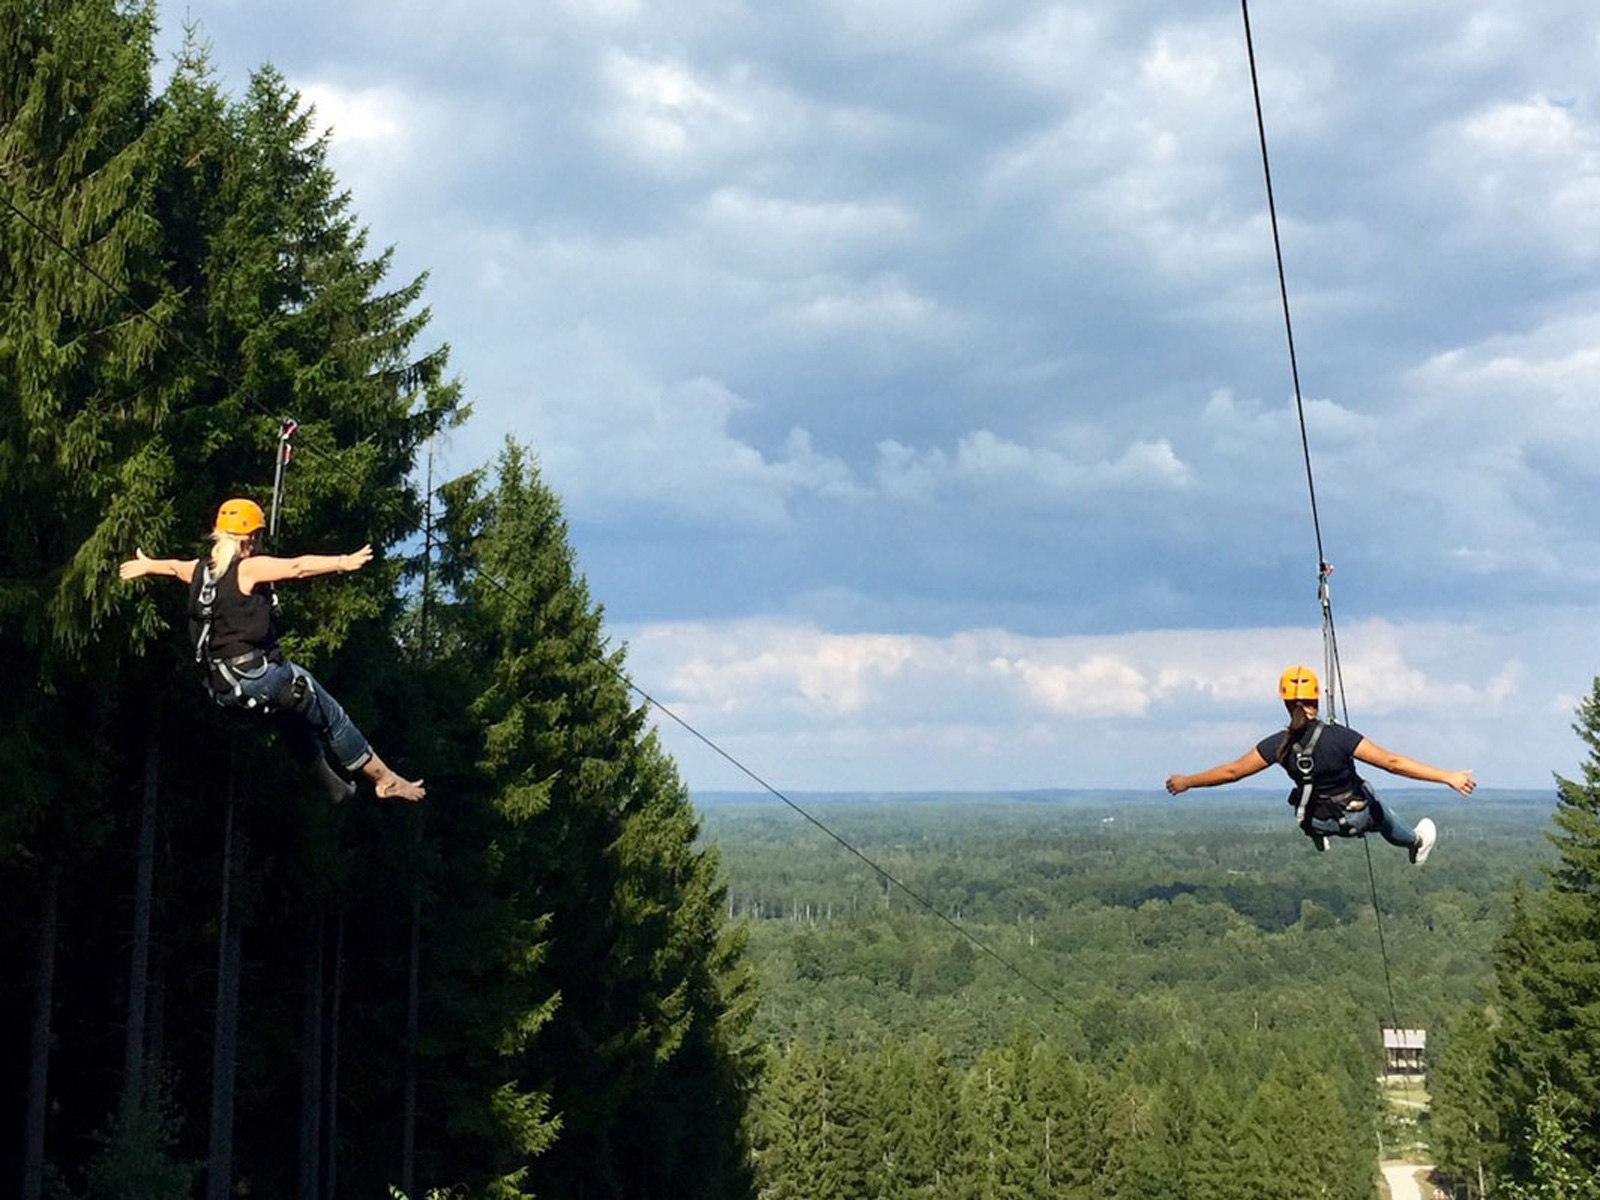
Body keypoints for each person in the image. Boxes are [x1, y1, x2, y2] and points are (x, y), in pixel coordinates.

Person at [120, 498, 425, 803]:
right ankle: (385, 780)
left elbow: (174, 567)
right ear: (251, 537)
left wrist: (147, 565)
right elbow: (297, 566)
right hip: (258, 675)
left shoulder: (199, 571)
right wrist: (342, 562)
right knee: (330, 713)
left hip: (223, 689)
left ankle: (334, 787)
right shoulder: (248, 568)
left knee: (291, 719)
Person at [1164, 665, 1473, 863]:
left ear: (1286, 703)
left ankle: (1320, 837)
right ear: (1316, 700)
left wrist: (1186, 781)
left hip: (1314, 821)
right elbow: (1392, 763)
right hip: (1356, 817)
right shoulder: (1339, 737)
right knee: (1377, 806)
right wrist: (1447, 776)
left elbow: (1232, 772)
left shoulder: (1277, 745)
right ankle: (1416, 843)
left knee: (1301, 794)